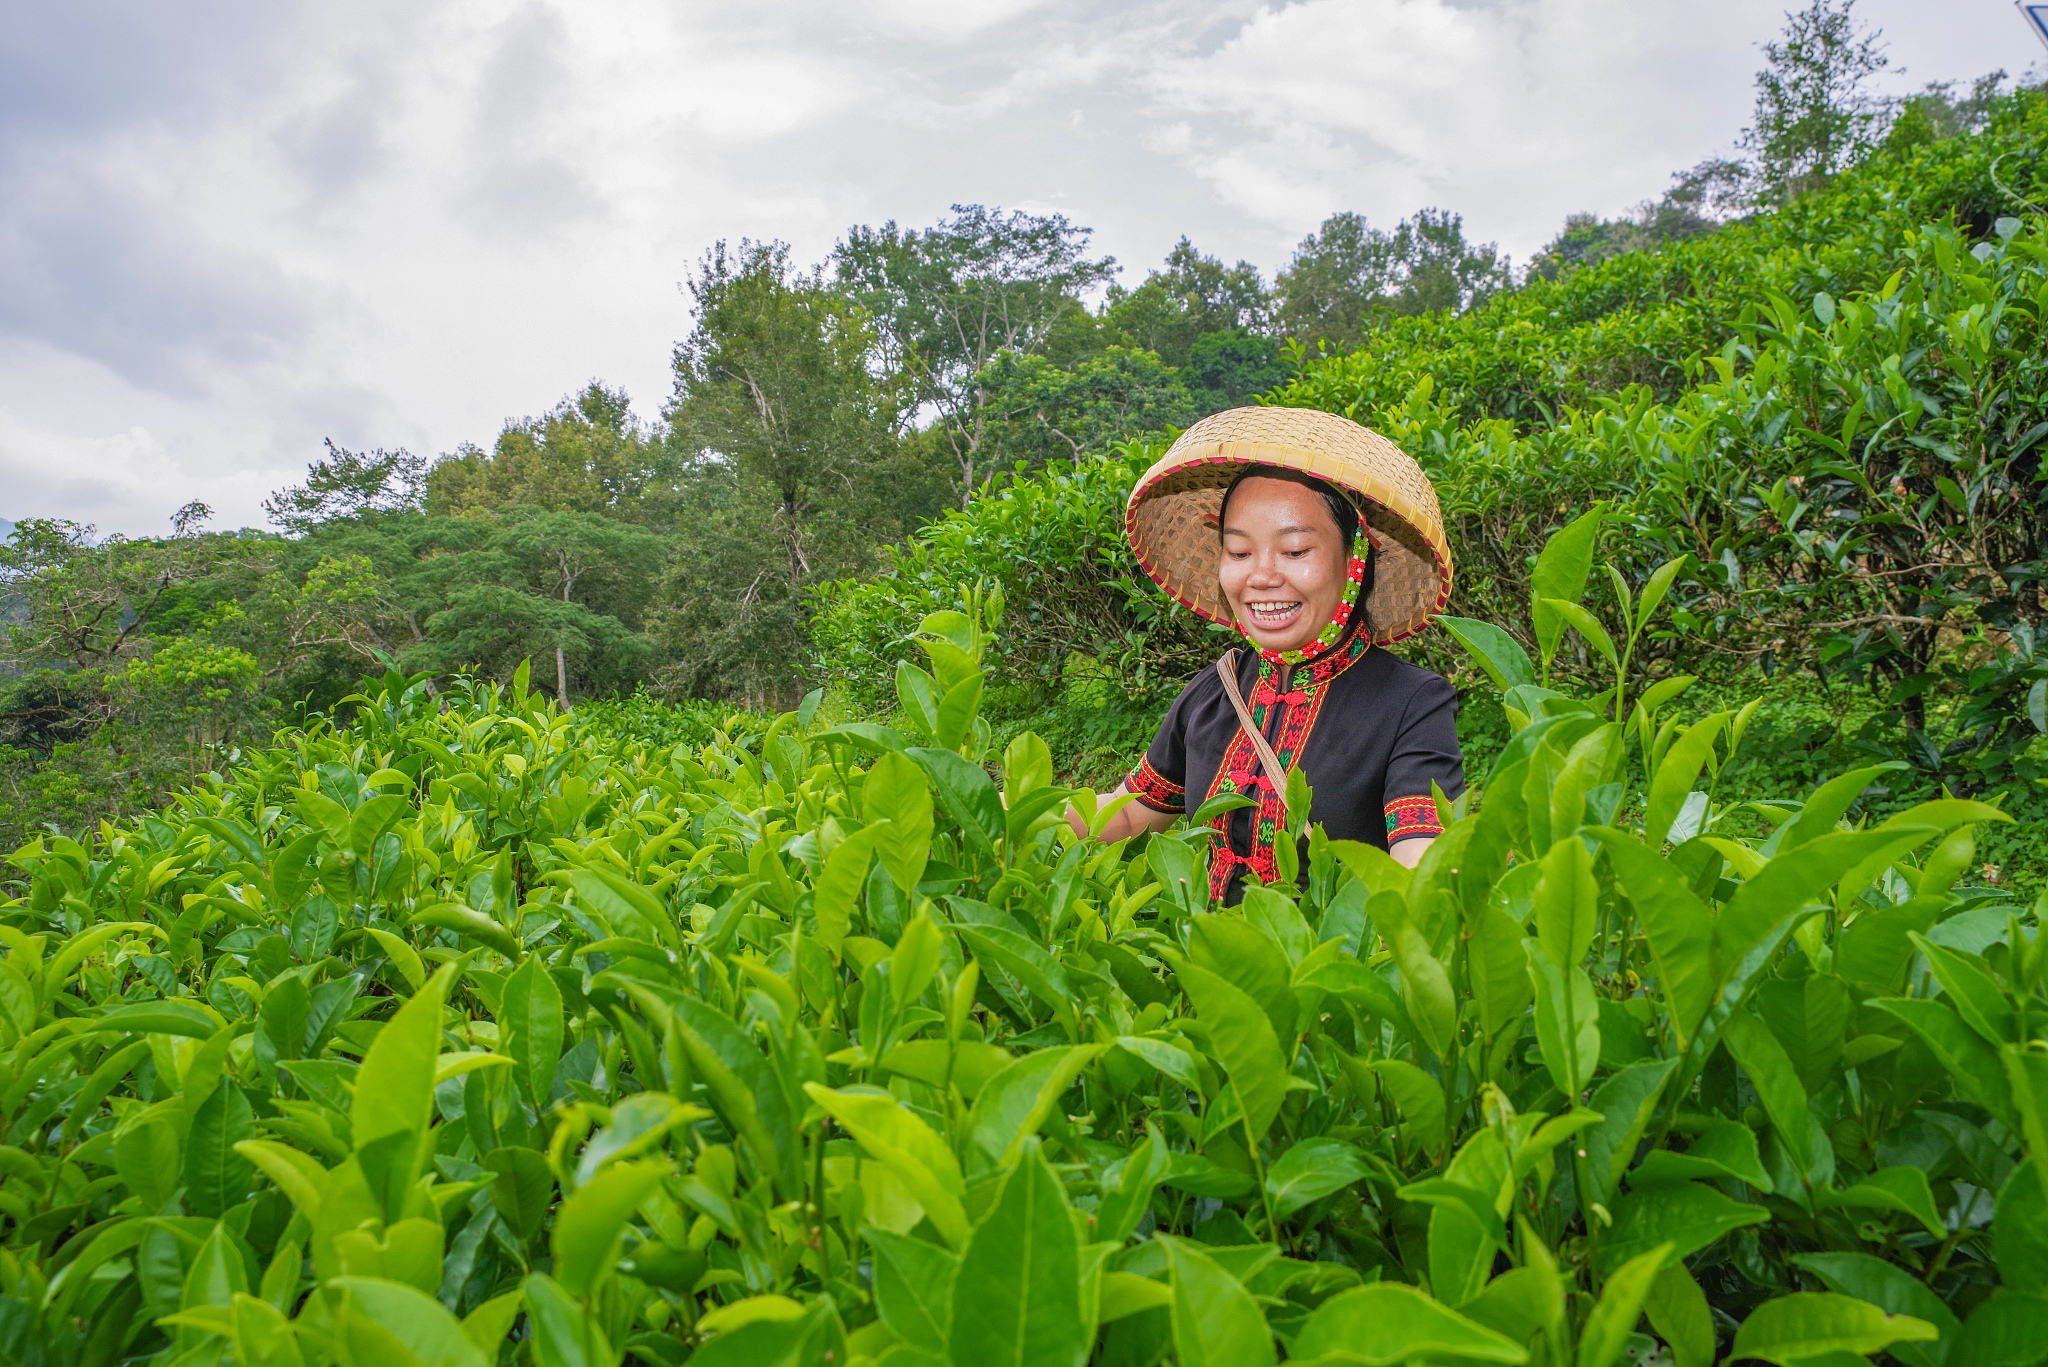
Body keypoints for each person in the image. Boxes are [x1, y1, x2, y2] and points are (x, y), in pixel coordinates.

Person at [1068, 406, 1463, 906]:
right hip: (1211, 969)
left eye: (1295, 550)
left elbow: (1420, 853)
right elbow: (1129, 814)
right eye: (1239, 552)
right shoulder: (1216, 689)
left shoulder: (1411, 703)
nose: (1261, 576)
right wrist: (989, 804)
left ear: (1355, 559)